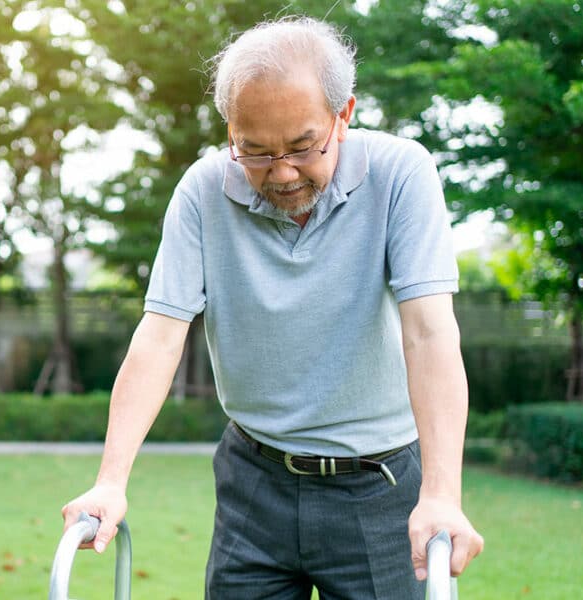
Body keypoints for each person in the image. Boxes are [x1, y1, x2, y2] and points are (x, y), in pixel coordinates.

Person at [61, 15, 485, 600]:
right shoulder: (205, 188)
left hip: (379, 486)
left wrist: (441, 492)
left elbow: (430, 334)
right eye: (254, 150)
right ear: (231, 130)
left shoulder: (401, 173)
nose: (281, 172)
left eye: (302, 147)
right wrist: (111, 480)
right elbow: (160, 335)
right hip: (253, 482)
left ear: (345, 115)